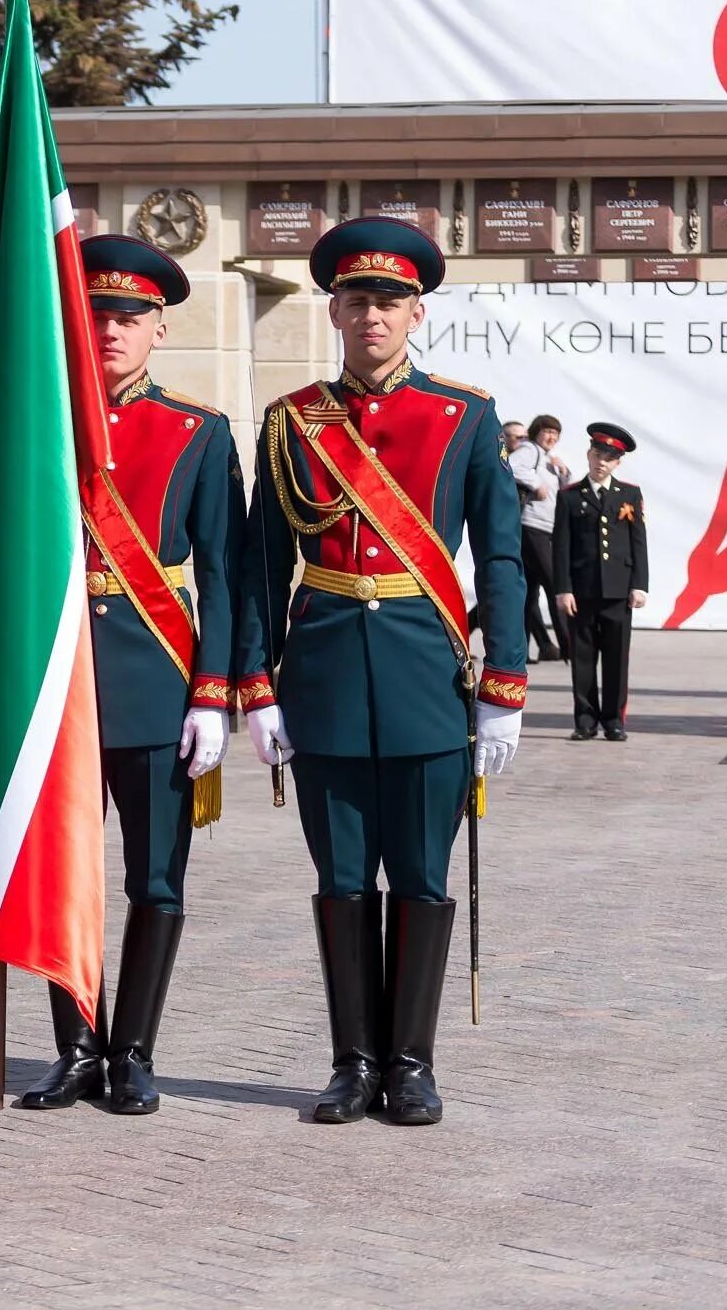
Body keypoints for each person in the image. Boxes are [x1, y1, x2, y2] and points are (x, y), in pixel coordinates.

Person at [240, 217, 527, 1128]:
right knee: (341, 879)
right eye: (358, 299)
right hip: (322, 677)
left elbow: (505, 561)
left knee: (420, 875)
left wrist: (504, 689)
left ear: (417, 314)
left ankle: (412, 1063)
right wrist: (258, 684)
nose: (373, 314)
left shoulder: (464, 415)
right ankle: (352, 1062)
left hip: (424, 681)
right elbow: (260, 564)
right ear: (334, 309)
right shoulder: (292, 422)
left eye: (390, 301)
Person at [16, 235, 237, 1116]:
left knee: (155, 878)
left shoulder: (199, 433)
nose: (111, 330)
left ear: (161, 329)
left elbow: (224, 571)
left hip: (155, 678)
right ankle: (75, 1048)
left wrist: (216, 690)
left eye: (130, 317)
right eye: (98, 313)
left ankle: (133, 1050)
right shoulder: (36, 423)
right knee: (62, 876)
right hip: (57, 685)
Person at [555, 423, 648, 742]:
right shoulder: (569, 497)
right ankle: (585, 719)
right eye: (597, 455)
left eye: (609, 458)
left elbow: (638, 543)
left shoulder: (629, 495)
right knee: (582, 656)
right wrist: (563, 588)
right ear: (588, 455)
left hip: (618, 590)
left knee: (616, 656)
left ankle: (613, 719)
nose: (601, 463)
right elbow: (561, 547)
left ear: (618, 463)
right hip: (581, 591)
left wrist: (640, 584)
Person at [510, 413, 571, 663]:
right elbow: (511, 465)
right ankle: (570, 647)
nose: (551, 437)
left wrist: (563, 473)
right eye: (547, 432)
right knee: (556, 585)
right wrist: (535, 483)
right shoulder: (529, 450)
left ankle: (521, 651)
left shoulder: (547, 459)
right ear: (536, 432)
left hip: (545, 528)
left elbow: (562, 493)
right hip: (532, 526)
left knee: (529, 592)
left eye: (555, 435)